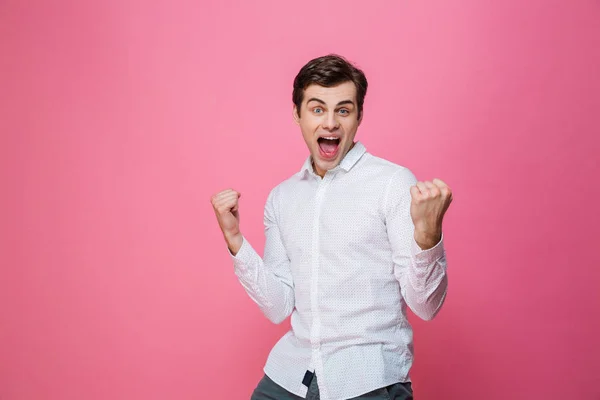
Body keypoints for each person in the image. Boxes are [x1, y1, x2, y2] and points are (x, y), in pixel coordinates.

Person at [211, 54, 453, 400]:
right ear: (298, 114)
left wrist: (428, 235)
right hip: (292, 373)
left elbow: (426, 307)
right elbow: (278, 305)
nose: (330, 124)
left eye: (343, 110)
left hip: (367, 377)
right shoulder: (283, 198)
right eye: (317, 109)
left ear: (358, 116)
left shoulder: (393, 183)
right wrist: (235, 239)